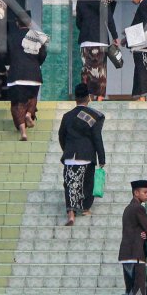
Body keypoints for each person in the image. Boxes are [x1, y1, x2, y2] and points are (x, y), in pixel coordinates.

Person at [58, 83, 105, 225]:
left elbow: (61, 135)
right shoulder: (95, 116)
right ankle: (85, 208)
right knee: (87, 182)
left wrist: (66, 150)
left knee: (70, 183)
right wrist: (101, 157)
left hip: (70, 156)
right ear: (89, 97)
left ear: (75, 99)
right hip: (86, 155)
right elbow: (97, 137)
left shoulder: (67, 116)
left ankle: (71, 213)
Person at [75, 0, 118, 101]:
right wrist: (115, 36)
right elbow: (109, 20)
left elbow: (78, 22)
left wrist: (85, 30)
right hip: (101, 41)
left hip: (86, 41)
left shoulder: (81, 1)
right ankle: (99, 97)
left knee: (86, 70)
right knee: (101, 71)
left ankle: (87, 97)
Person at [3, 13, 46, 141]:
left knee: (17, 104)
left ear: (17, 23)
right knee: (32, 98)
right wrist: (35, 64)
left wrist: (8, 65)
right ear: (30, 23)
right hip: (33, 74)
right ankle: (28, 114)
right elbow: (43, 54)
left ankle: (23, 132)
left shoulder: (10, 37)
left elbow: (4, 55)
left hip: (16, 74)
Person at [119, 179, 147, 295]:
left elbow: (135, 229)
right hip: (135, 253)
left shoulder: (128, 208)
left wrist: (142, 234)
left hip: (125, 254)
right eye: (145, 192)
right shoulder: (139, 209)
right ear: (136, 193)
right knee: (138, 283)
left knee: (130, 284)